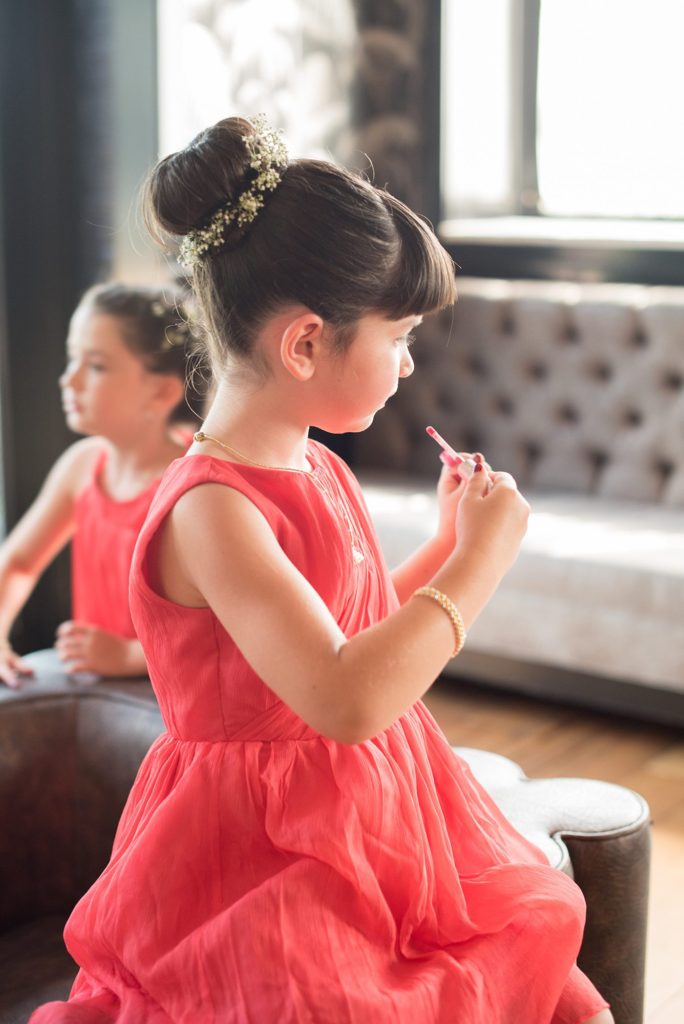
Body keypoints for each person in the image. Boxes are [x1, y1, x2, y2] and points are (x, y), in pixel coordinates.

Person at [32, 116, 613, 1023]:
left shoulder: (315, 461)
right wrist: (483, 565)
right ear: (305, 343)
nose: (409, 362)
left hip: (377, 818)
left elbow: (357, 624)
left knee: (565, 998)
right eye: (401, 335)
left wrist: (452, 545)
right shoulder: (211, 509)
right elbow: (345, 698)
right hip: (260, 856)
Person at [0, 283, 201, 686]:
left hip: (165, 694)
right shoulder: (83, 465)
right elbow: (19, 563)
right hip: (96, 686)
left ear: (162, 391)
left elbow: (212, 625)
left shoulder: (191, 489)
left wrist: (129, 655)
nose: (68, 381)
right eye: (71, 359)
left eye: (95, 366)